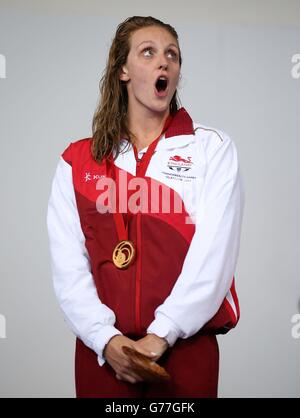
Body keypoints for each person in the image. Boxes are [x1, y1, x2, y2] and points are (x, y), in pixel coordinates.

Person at [47, 15, 245, 398]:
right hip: (104, 355)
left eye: (172, 54)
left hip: (184, 351)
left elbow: (214, 257)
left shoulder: (211, 150)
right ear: (122, 70)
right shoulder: (77, 162)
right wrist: (106, 340)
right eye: (149, 52)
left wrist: (162, 333)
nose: (164, 62)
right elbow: (68, 268)